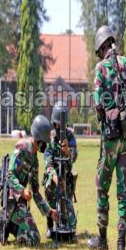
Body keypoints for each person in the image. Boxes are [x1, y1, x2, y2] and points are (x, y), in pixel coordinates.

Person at [87, 25, 126, 250]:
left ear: (101, 47)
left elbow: (98, 103)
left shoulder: (100, 69)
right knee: (123, 194)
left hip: (109, 140)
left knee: (102, 188)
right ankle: (121, 246)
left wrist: (104, 116)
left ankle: (102, 240)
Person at [0, 115, 57, 246]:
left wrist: (50, 212)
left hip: (20, 201)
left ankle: (12, 224)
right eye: (45, 142)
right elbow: (9, 175)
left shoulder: (34, 160)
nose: (46, 145)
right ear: (38, 140)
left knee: (34, 238)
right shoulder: (22, 147)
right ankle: (7, 222)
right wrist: (22, 191)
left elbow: (36, 192)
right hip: (12, 198)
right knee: (33, 239)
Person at [43, 101, 78, 239]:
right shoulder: (49, 137)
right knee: (49, 188)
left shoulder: (70, 136)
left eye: (62, 124)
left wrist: (68, 152)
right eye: (58, 124)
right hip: (54, 181)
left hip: (66, 182)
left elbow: (75, 156)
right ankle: (50, 224)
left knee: (71, 224)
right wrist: (55, 178)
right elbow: (48, 163)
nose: (60, 127)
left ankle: (65, 222)